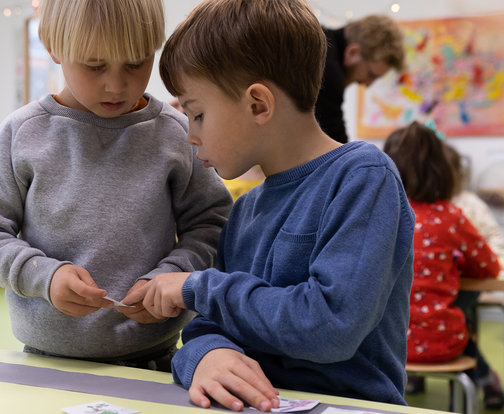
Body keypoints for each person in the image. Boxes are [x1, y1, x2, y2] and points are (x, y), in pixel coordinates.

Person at [122, 0, 415, 411]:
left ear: (258, 104)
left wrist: (195, 286)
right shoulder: (243, 211)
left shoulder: (363, 177)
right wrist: (206, 356)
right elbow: (206, 327)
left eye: (198, 114)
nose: (190, 135)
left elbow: (331, 325)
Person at [0, 0, 232, 372]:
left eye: (135, 63)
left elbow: (213, 227)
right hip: (47, 362)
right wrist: (44, 275)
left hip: (159, 358)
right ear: (52, 45)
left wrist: (173, 275)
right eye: (95, 65)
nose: (116, 84)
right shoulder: (22, 134)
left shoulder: (176, 134)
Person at [383, 122, 502, 405]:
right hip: (443, 344)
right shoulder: (450, 216)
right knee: (461, 299)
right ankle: (485, 381)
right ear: (444, 168)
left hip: (384, 346)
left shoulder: (384, 215)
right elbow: (489, 268)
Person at [444, 143, 504, 409]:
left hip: (464, 285)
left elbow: (493, 239)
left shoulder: (467, 203)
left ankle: (482, 375)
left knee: (450, 321)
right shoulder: (421, 204)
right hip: (429, 287)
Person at [315, 15, 405, 143]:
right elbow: (338, 145)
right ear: (353, 52)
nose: (368, 84)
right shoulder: (328, 69)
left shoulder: (321, 42)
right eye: (371, 75)